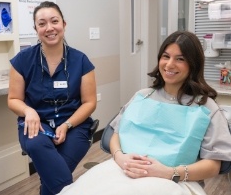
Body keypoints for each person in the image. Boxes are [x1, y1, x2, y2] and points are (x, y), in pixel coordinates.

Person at [57, 31, 231, 195]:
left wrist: (169, 172)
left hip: (173, 180)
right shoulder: (142, 96)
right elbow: (116, 133)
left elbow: (214, 165)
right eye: (166, 56)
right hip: (121, 169)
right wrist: (120, 158)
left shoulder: (206, 107)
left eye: (180, 59)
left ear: (193, 64)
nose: (170, 64)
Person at [7, 1, 97, 195]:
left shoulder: (81, 60)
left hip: (74, 125)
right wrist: (28, 111)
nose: (49, 28)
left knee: (51, 176)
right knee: (37, 144)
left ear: (63, 24)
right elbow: (13, 99)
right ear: (36, 29)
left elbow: (90, 102)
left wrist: (67, 125)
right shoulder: (22, 60)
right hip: (36, 124)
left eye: (54, 21)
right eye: (42, 23)